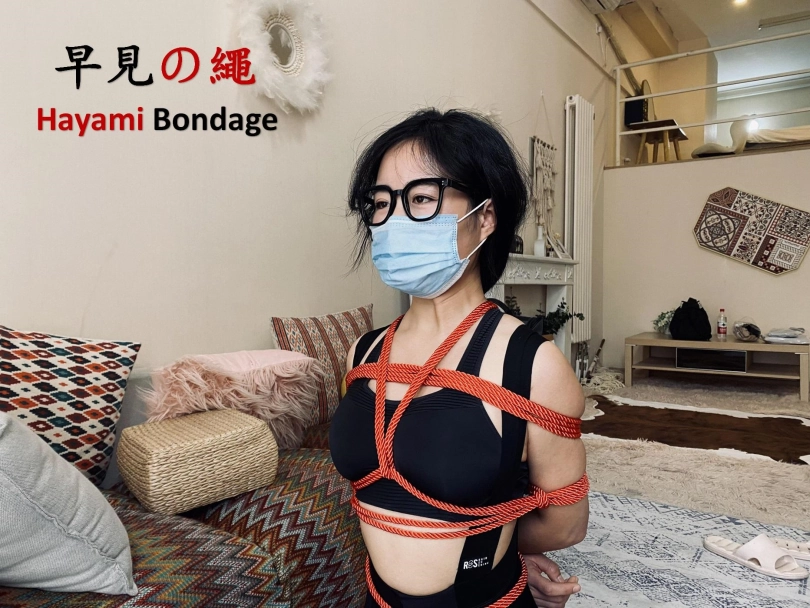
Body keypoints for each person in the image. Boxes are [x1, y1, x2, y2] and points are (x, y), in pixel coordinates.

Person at [329, 108, 588, 608]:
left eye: (421, 199)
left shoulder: (531, 365)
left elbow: (565, 524)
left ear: (485, 218)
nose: (394, 220)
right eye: (380, 204)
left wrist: (500, 548)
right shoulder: (364, 352)